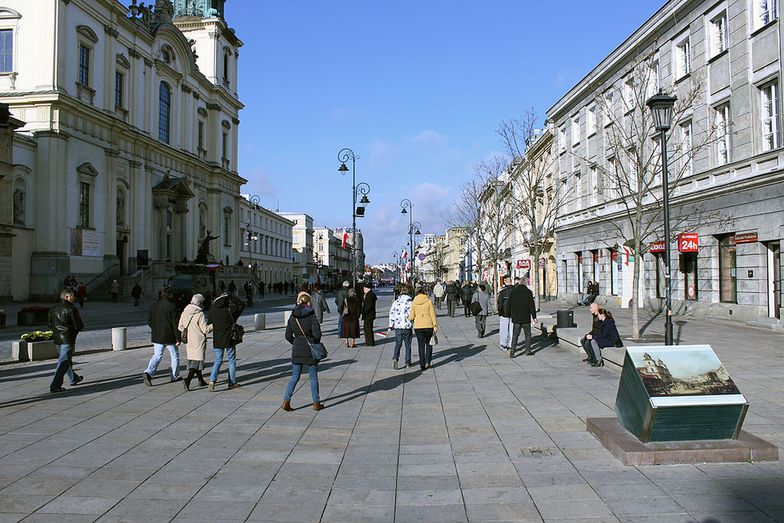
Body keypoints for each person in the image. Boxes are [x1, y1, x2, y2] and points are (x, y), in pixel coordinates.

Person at [281, 292, 324, 411]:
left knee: (294, 377)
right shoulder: (312, 316)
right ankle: (316, 403)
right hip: (310, 349)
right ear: (308, 303)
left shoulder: (292, 316)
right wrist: (315, 340)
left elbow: (287, 335)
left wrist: (296, 342)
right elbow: (316, 335)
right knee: (313, 377)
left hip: (297, 348)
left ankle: (286, 401)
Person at [48, 288, 85, 393]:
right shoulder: (71, 309)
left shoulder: (53, 308)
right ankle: (55, 385)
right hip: (67, 338)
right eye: (72, 296)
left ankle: (74, 378)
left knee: (66, 359)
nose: (74, 298)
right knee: (63, 361)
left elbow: (49, 324)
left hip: (57, 338)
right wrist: (74, 332)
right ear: (67, 297)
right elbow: (78, 325)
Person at [208, 290, 246, 390]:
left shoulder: (212, 310)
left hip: (217, 338)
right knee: (231, 360)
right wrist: (231, 296)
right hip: (229, 338)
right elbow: (241, 304)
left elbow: (209, 323)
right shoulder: (231, 309)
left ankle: (212, 381)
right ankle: (231, 382)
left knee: (218, 360)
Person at [143, 287, 181, 385]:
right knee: (174, 355)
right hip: (169, 336)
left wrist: (155, 329)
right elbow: (175, 323)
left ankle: (148, 372)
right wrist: (178, 337)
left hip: (157, 335)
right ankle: (174, 376)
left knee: (157, 355)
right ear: (170, 295)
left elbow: (149, 321)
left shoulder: (154, 305)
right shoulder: (172, 306)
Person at [178, 294, 213, 391]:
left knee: (194, 359)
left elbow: (180, 327)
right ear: (200, 303)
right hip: (198, 340)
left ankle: (201, 380)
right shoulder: (200, 314)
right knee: (197, 362)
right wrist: (213, 325)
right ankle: (187, 380)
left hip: (189, 340)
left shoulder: (185, 311)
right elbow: (205, 329)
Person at [505, 277, 537, 358]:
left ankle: (512, 351)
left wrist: (508, 314)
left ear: (519, 282)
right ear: (526, 283)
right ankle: (528, 350)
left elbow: (509, 304)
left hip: (516, 317)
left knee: (515, 334)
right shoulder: (528, 292)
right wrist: (534, 317)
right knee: (527, 334)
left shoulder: (513, 292)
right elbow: (532, 306)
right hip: (525, 317)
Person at [409, 285, 438, 370]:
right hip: (428, 325)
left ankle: (422, 363)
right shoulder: (428, 301)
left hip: (418, 326)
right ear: (424, 293)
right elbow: (433, 315)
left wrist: (411, 319)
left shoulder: (414, 302)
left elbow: (411, 316)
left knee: (420, 345)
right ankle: (428, 362)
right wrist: (435, 325)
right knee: (429, 344)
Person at [389, 285, 413, 369]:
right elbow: (412, 315)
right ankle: (408, 361)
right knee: (408, 345)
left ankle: (395, 358)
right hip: (407, 326)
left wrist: (391, 325)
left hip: (398, 326)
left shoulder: (396, 302)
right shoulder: (411, 303)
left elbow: (392, 314)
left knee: (398, 344)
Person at [497, 277, 513, 351]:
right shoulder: (515, 291)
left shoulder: (502, 292)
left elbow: (499, 303)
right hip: (514, 312)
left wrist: (499, 312)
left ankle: (503, 343)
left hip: (504, 312)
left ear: (505, 282)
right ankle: (511, 343)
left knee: (504, 328)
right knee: (512, 328)